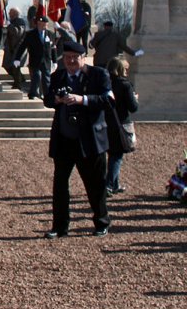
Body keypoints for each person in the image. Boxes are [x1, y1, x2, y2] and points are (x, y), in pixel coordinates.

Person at [43, 40, 113, 238]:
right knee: (60, 185)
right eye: (67, 58)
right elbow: (47, 99)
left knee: (95, 184)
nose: (71, 61)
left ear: (83, 58)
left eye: (75, 57)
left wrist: (82, 100)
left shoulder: (99, 75)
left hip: (90, 139)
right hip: (65, 138)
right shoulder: (58, 76)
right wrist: (56, 99)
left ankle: (101, 221)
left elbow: (108, 100)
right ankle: (59, 226)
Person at [105, 56, 139, 196]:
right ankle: (108, 185)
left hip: (106, 121)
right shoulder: (125, 85)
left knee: (112, 153)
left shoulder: (105, 83)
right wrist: (135, 98)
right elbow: (133, 107)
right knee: (117, 156)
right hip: (121, 122)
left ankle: (115, 184)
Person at [17, 16, 54, 100]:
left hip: (46, 60)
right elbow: (23, 46)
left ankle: (47, 95)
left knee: (46, 79)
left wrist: (54, 61)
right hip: (35, 60)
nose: (44, 26)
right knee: (36, 76)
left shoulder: (50, 34)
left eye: (45, 24)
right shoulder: (30, 34)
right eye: (42, 24)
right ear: (38, 24)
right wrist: (17, 58)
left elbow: (53, 48)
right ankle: (33, 94)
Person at [2, 8, 28, 90]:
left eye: (10, 12)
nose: (9, 13)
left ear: (15, 13)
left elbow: (17, 32)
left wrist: (9, 25)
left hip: (18, 49)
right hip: (10, 49)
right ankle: (21, 78)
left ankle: (18, 84)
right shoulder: (12, 21)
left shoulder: (20, 22)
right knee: (6, 66)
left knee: (15, 66)